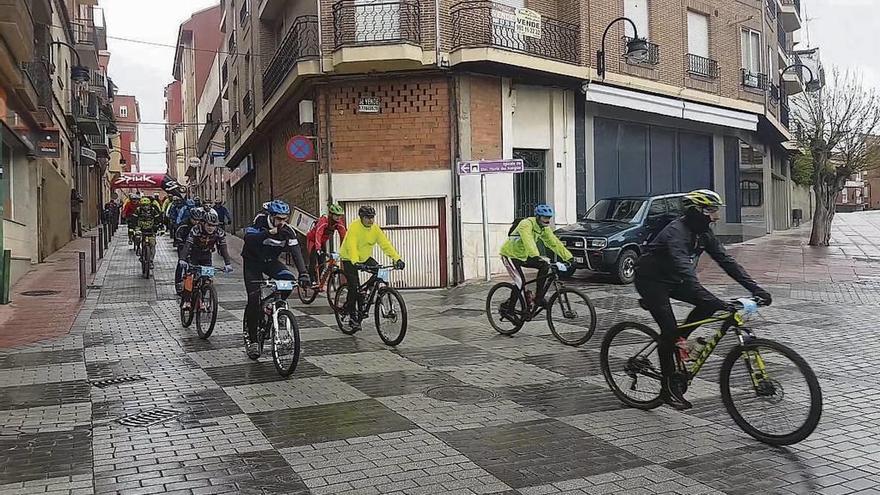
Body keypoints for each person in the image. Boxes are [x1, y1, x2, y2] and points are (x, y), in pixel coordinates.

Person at [635, 189, 772, 411]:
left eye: (716, 211)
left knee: (704, 307)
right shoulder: (675, 233)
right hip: (652, 281)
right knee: (669, 334)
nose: (716, 217)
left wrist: (757, 289)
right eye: (711, 211)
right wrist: (714, 300)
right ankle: (667, 389)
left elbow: (727, 262)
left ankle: (679, 340)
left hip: (675, 278)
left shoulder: (703, 233)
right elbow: (686, 270)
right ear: (695, 211)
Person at [242, 199, 309, 359]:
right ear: (271, 216)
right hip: (252, 264)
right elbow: (249, 239)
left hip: (271, 263)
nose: (282, 222)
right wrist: (267, 233)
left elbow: (296, 252)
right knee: (253, 300)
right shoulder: (260, 221)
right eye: (279, 218)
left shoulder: (288, 231)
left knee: (288, 281)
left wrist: (303, 273)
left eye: (285, 218)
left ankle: (273, 307)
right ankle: (253, 342)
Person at [339, 205, 404, 331]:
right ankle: (352, 317)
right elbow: (351, 245)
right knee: (354, 287)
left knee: (379, 271)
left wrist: (397, 259)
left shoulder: (375, 229)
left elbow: (385, 244)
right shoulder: (355, 227)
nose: (371, 220)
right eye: (367, 218)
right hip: (349, 258)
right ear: (361, 218)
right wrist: (355, 261)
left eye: (372, 217)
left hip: (365, 257)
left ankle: (365, 294)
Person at [499, 203, 573, 310]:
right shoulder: (526, 224)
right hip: (510, 255)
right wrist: (536, 255)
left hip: (524, 256)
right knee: (520, 282)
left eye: (549, 218)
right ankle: (509, 308)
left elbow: (554, 243)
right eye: (545, 217)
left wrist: (569, 258)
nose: (547, 220)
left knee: (544, 266)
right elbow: (528, 240)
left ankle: (539, 298)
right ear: (538, 217)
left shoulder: (544, 228)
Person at [178, 209, 233, 309]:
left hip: (206, 255)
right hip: (193, 254)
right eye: (209, 225)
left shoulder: (219, 232)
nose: (211, 228)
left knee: (207, 279)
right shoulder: (196, 229)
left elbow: (223, 248)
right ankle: (186, 300)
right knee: (190, 276)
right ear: (203, 223)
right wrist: (182, 259)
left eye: (213, 225)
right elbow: (187, 245)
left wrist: (227, 263)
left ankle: (202, 299)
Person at [305, 203, 347, 286]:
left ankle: (319, 280)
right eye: (336, 215)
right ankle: (311, 279)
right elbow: (318, 233)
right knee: (313, 261)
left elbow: (344, 236)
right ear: (331, 214)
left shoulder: (339, 222)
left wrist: (345, 249)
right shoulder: (324, 220)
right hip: (313, 240)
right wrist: (317, 248)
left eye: (340, 215)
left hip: (323, 242)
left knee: (322, 262)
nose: (338, 217)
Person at [174, 207, 205, 293]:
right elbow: (177, 233)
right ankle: (178, 283)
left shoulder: (201, 226)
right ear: (190, 218)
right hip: (184, 245)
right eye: (194, 220)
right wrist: (179, 241)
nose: (196, 222)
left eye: (198, 220)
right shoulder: (184, 224)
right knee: (181, 263)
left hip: (195, 247)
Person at [133, 196, 163, 267]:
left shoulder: (153, 210)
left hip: (151, 230)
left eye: (147, 205)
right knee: (137, 238)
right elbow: (133, 219)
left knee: (152, 245)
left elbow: (158, 219)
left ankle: (151, 261)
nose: (145, 207)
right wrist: (134, 227)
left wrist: (159, 226)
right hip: (141, 229)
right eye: (143, 205)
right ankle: (139, 250)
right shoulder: (138, 210)